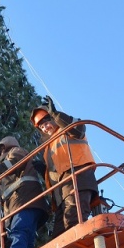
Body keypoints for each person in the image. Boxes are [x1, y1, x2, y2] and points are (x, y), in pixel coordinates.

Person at [30, 96, 98, 238]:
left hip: (78, 179)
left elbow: (79, 129)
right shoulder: (49, 147)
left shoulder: (68, 130)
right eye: (41, 127)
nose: (45, 127)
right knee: (58, 236)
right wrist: (44, 170)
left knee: (73, 223)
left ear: (53, 118)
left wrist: (56, 113)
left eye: (46, 123)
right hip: (61, 193)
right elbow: (55, 172)